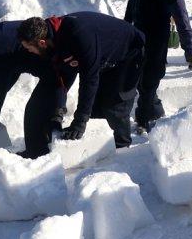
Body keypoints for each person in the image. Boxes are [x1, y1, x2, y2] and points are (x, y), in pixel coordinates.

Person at [17, 12, 145, 148]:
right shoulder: (52, 38)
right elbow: (62, 77)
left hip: (130, 50)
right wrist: (57, 112)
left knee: (114, 106)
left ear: (42, 43)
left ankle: (122, 149)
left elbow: (89, 79)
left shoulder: (78, 35)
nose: (29, 52)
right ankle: (101, 148)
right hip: (103, 54)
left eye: (29, 48)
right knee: (96, 106)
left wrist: (80, 121)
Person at [0, 17, 67, 159]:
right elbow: (13, 68)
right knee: (38, 111)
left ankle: (40, 156)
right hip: (54, 68)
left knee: (35, 112)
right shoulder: (1, 30)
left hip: (56, 72)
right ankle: (41, 151)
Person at [118, 0, 178, 131]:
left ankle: (144, 118)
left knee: (153, 73)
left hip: (157, 30)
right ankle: (154, 110)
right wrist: (126, 24)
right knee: (141, 73)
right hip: (138, 29)